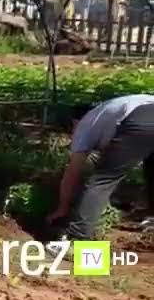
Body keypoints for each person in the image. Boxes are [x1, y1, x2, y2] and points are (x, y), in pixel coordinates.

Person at [46, 94, 154, 239]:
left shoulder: (85, 125)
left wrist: (62, 208)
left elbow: (73, 172)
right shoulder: (107, 111)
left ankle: (78, 238)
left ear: (74, 122)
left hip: (142, 119)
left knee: (102, 181)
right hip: (144, 114)